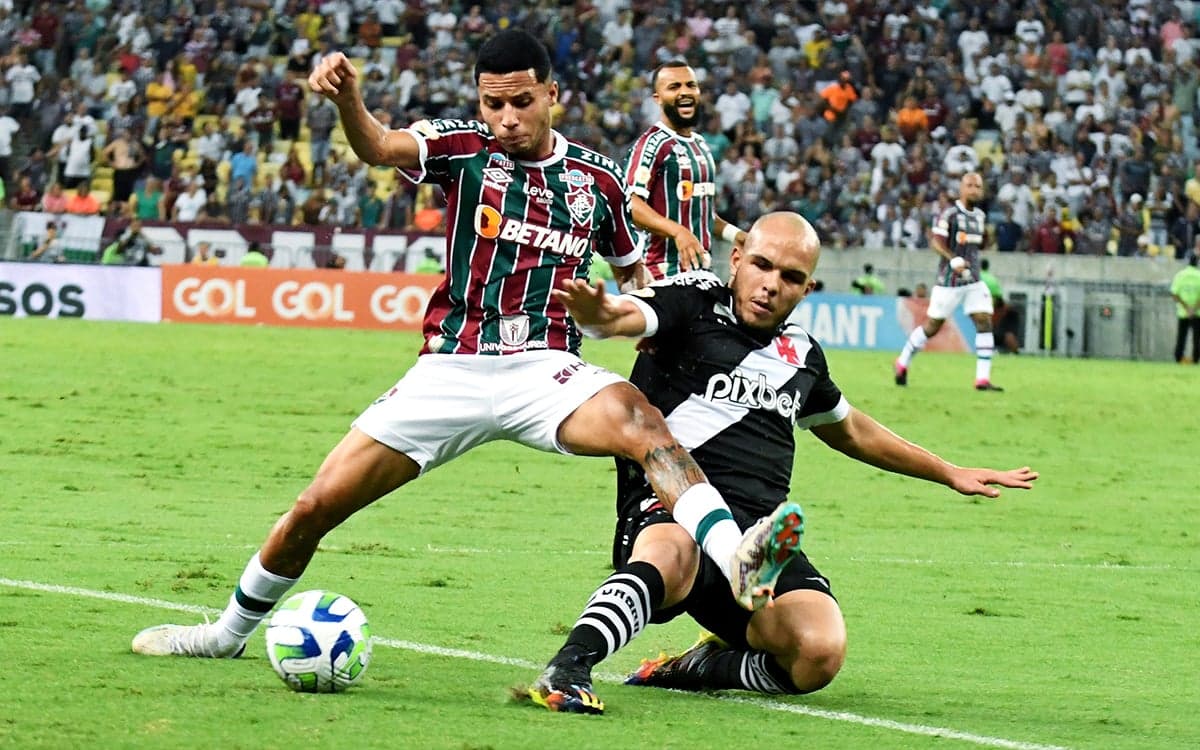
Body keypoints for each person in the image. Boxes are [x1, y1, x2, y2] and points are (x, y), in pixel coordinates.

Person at [131, 30, 802, 663]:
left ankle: (736, 559)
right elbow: (380, 148)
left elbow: (633, 280)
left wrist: (618, 314)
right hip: (451, 367)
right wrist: (347, 102)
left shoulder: (595, 183)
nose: (505, 117)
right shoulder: (462, 148)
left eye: (520, 102)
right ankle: (226, 634)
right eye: (493, 103)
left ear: (552, 95)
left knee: (642, 425)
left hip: (545, 369)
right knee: (315, 506)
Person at [520, 213, 1038, 714]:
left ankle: (699, 669)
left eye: (790, 277)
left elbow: (853, 430)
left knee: (819, 653)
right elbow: (628, 316)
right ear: (737, 259)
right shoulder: (694, 302)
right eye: (762, 265)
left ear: (807, 289)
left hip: (759, 550)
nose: (771, 285)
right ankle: (568, 667)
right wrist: (601, 316)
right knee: (671, 553)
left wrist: (948, 472)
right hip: (670, 508)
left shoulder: (803, 355)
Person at [625, 60, 746, 280]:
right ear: (657, 98)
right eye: (674, 87)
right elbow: (630, 205)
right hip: (662, 275)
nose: (684, 92)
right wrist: (677, 231)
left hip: (701, 275)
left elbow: (701, 213)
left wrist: (737, 235)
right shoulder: (652, 144)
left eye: (690, 85)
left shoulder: (700, 144)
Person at [895, 172, 1003, 391]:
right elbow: (936, 242)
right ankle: (902, 361)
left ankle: (982, 379)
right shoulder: (950, 214)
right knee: (932, 327)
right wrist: (953, 259)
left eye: (978, 186)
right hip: (949, 282)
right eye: (970, 185)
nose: (974, 189)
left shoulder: (980, 216)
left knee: (984, 321)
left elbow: (975, 246)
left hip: (973, 279)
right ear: (962, 189)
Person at [1170, 254, 1200, 363]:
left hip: (1183, 312)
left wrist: (1186, 308)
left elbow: (1174, 293)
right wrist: (1194, 308)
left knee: (1181, 337)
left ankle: (1178, 358)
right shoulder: (1199, 275)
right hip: (1197, 313)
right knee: (1196, 338)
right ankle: (1196, 359)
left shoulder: (1180, 275)